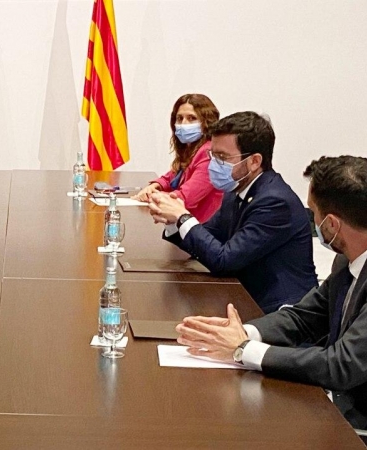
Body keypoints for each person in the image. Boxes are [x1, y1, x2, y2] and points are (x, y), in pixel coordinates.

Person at [175, 155, 367, 428]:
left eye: (312, 213)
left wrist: (244, 350)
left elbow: (340, 365)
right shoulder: (346, 260)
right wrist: (241, 332)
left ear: (332, 224)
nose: (310, 219)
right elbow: (304, 317)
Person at [149, 111, 317, 313]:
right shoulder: (235, 190)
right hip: (240, 295)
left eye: (222, 157)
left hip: (277, 312)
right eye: (213, 155)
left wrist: (183, 217)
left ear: (254, 161)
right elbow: (208, 238)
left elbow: (224, 260)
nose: (213, 164)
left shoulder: (274, 202)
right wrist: (172, 220)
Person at [133, 94, 223, 223]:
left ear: (206, 122)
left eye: (191, 118)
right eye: (179, 118)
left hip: (203, 229)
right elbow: (173, 176)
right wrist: (156, 185)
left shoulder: (208, 153)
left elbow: (185, 198)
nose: (183, 124)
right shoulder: (191, 148)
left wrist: (151, 196)